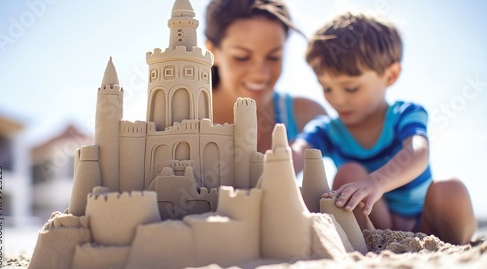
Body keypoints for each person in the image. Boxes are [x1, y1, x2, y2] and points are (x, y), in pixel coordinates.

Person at [291, 13, 476, 245]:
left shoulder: (404, 114)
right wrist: (276, 166)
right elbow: (298, 150)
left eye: (350, 88)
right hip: (375, 225)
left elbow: (418, 150)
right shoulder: (327, 130)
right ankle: (370, 243)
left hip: (426, 222)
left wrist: (377, 181)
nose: (337, 99)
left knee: (450, 188)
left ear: (390, 75)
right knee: (349, 173)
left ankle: (458, 244)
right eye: (327, 88)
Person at [204, 0, 326, 153]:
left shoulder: (307, 117)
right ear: (212, 51)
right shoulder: (174, 116)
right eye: (242, 57)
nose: (260, 75)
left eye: (274, 57)